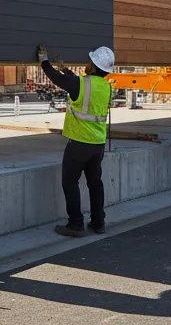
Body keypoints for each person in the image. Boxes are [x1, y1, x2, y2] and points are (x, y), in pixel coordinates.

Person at [37, 43, 114, 238]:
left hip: (79, 143)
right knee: (95, 183)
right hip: (98, 144)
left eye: (91, 61)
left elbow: (60, 81)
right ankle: (99, 223)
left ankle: (76, 224)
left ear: (95, 66)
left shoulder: (82, 83)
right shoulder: (106, 86)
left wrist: (44, 62)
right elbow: (76, 83)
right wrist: (65, 68)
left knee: (70, 182)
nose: (88, 63)